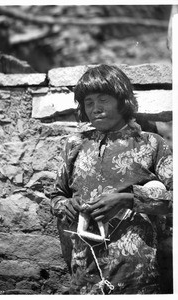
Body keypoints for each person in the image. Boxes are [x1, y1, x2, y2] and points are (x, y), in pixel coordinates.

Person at [50, 64, 173, 295]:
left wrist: (128, 199)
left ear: (122, 101)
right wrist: (66, 206)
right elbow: (57, 196)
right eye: (89, 103)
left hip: (135, 272)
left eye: (103, 100)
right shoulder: (75, 145)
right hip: (84, 268)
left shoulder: (151, 144)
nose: (95, 108)